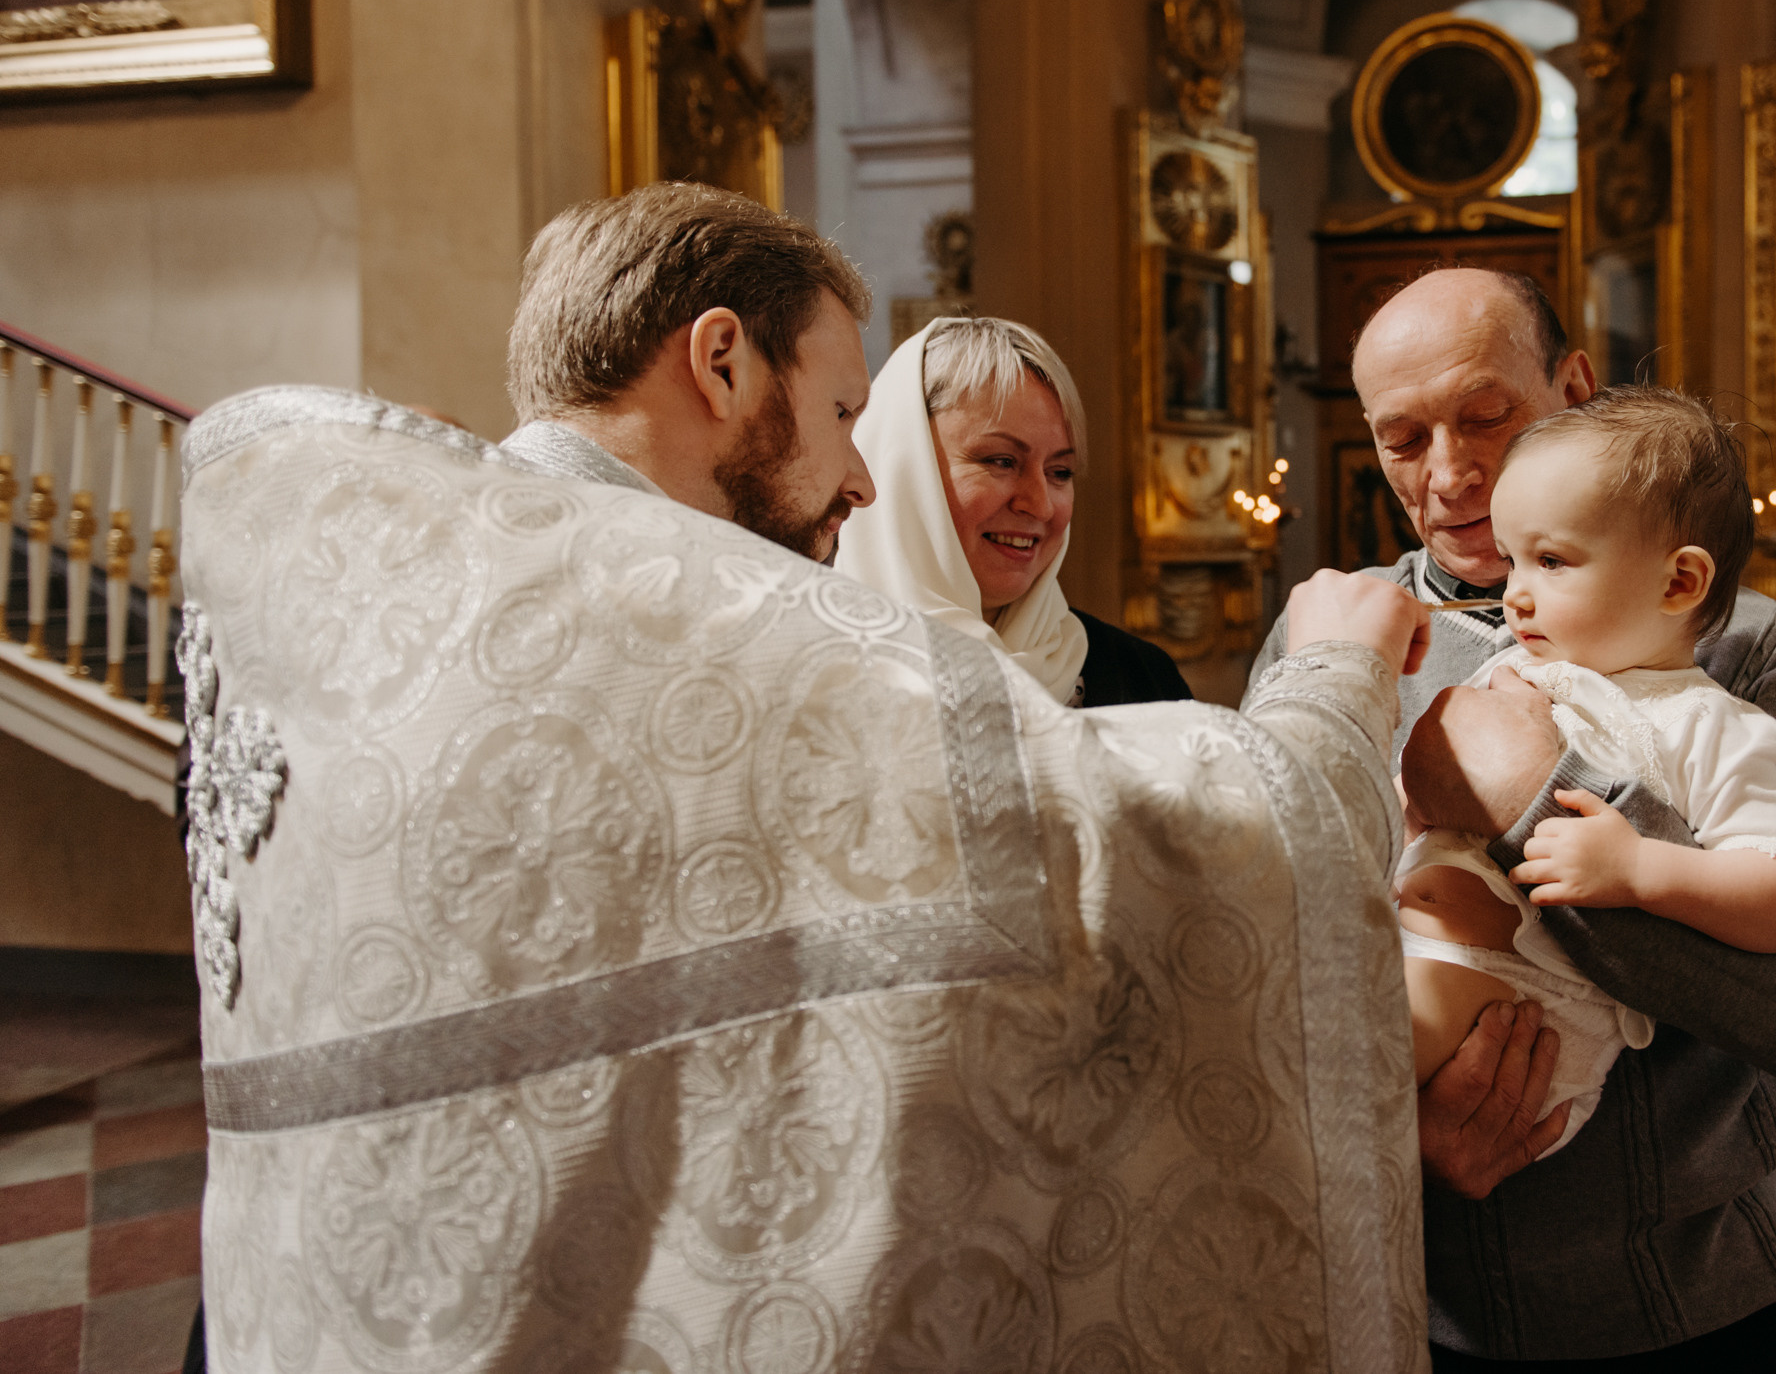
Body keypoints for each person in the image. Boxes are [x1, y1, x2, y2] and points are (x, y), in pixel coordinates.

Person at [178, 184, 1439, 1372]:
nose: (857, 475)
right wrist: (1331, 684)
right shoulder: (686, 624)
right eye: (843, 412)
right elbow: (1135, 840)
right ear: (721, 361)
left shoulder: (423, 599)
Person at [1249, 266, 1776, 1370]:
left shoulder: (1738, 644)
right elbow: (1257, 955)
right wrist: (1394, 1139)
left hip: (1678, 1304)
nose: (1452, 476)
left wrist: (1531, 793)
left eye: (1487, 417)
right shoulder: (1330, 636)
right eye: (1402, 439)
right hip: (1394, 1299)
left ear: (1574, 382)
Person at [1395, 386, 1776, 1157]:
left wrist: (1641, 867)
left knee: (1297, 1055)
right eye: (1511, 561)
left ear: (1679, 583)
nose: (1514, 594)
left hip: (1514, 999)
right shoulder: (1523, 668)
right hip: (1419, 949)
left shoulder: (1713, 724)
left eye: (1551, 560)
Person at [837, 315, 1189, 708]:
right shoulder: (812, 677)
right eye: (1001, 461)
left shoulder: (1143, 678)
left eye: (1060, 472)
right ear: (904, 471)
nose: (1039, 505)